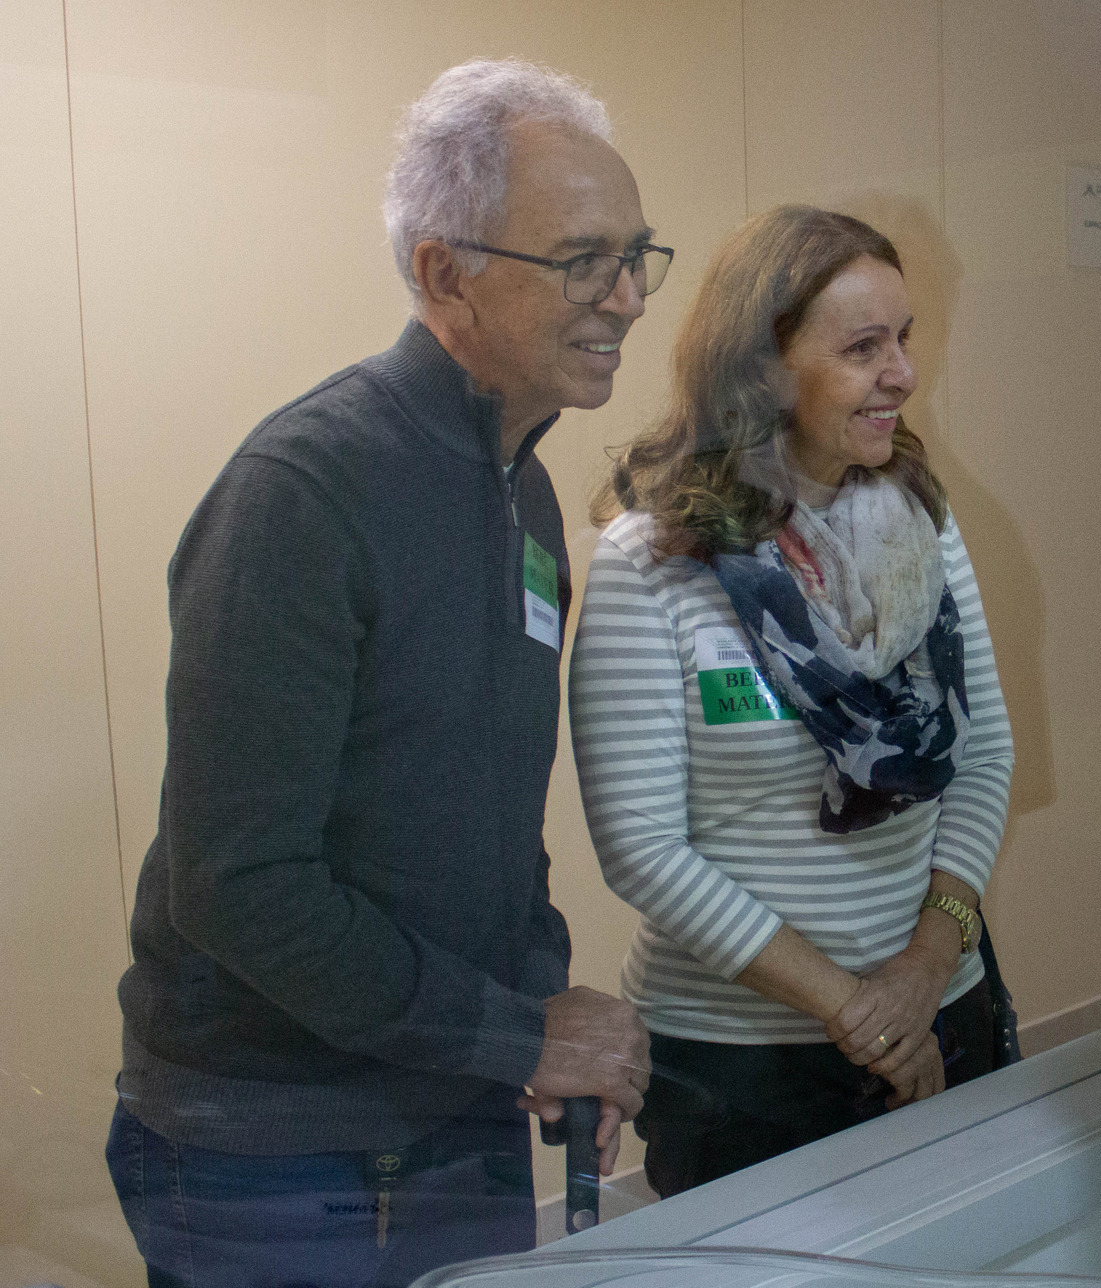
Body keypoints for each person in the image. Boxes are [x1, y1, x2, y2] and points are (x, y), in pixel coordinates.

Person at [107, 59, 660, 1286]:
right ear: (443, 272)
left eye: (635, 256)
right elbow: (241, 886)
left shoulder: (522, 492)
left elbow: (494, 822)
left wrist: (547, 1018)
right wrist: (519, 1033)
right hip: (277, 1147)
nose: (626, 298)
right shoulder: (302, 494)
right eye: (583, 260)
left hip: (454, 1099)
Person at [569, 205, 1015, 1199]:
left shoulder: (920, 522)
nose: (902, 373)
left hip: (942, 1007)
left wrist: (920, 974)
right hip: (739, 1064)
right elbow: (642, 848)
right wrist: (856, 1010)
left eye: (904, 339)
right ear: (763, 370)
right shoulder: (654, 559)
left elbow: (982, 754)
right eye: (863, 348)